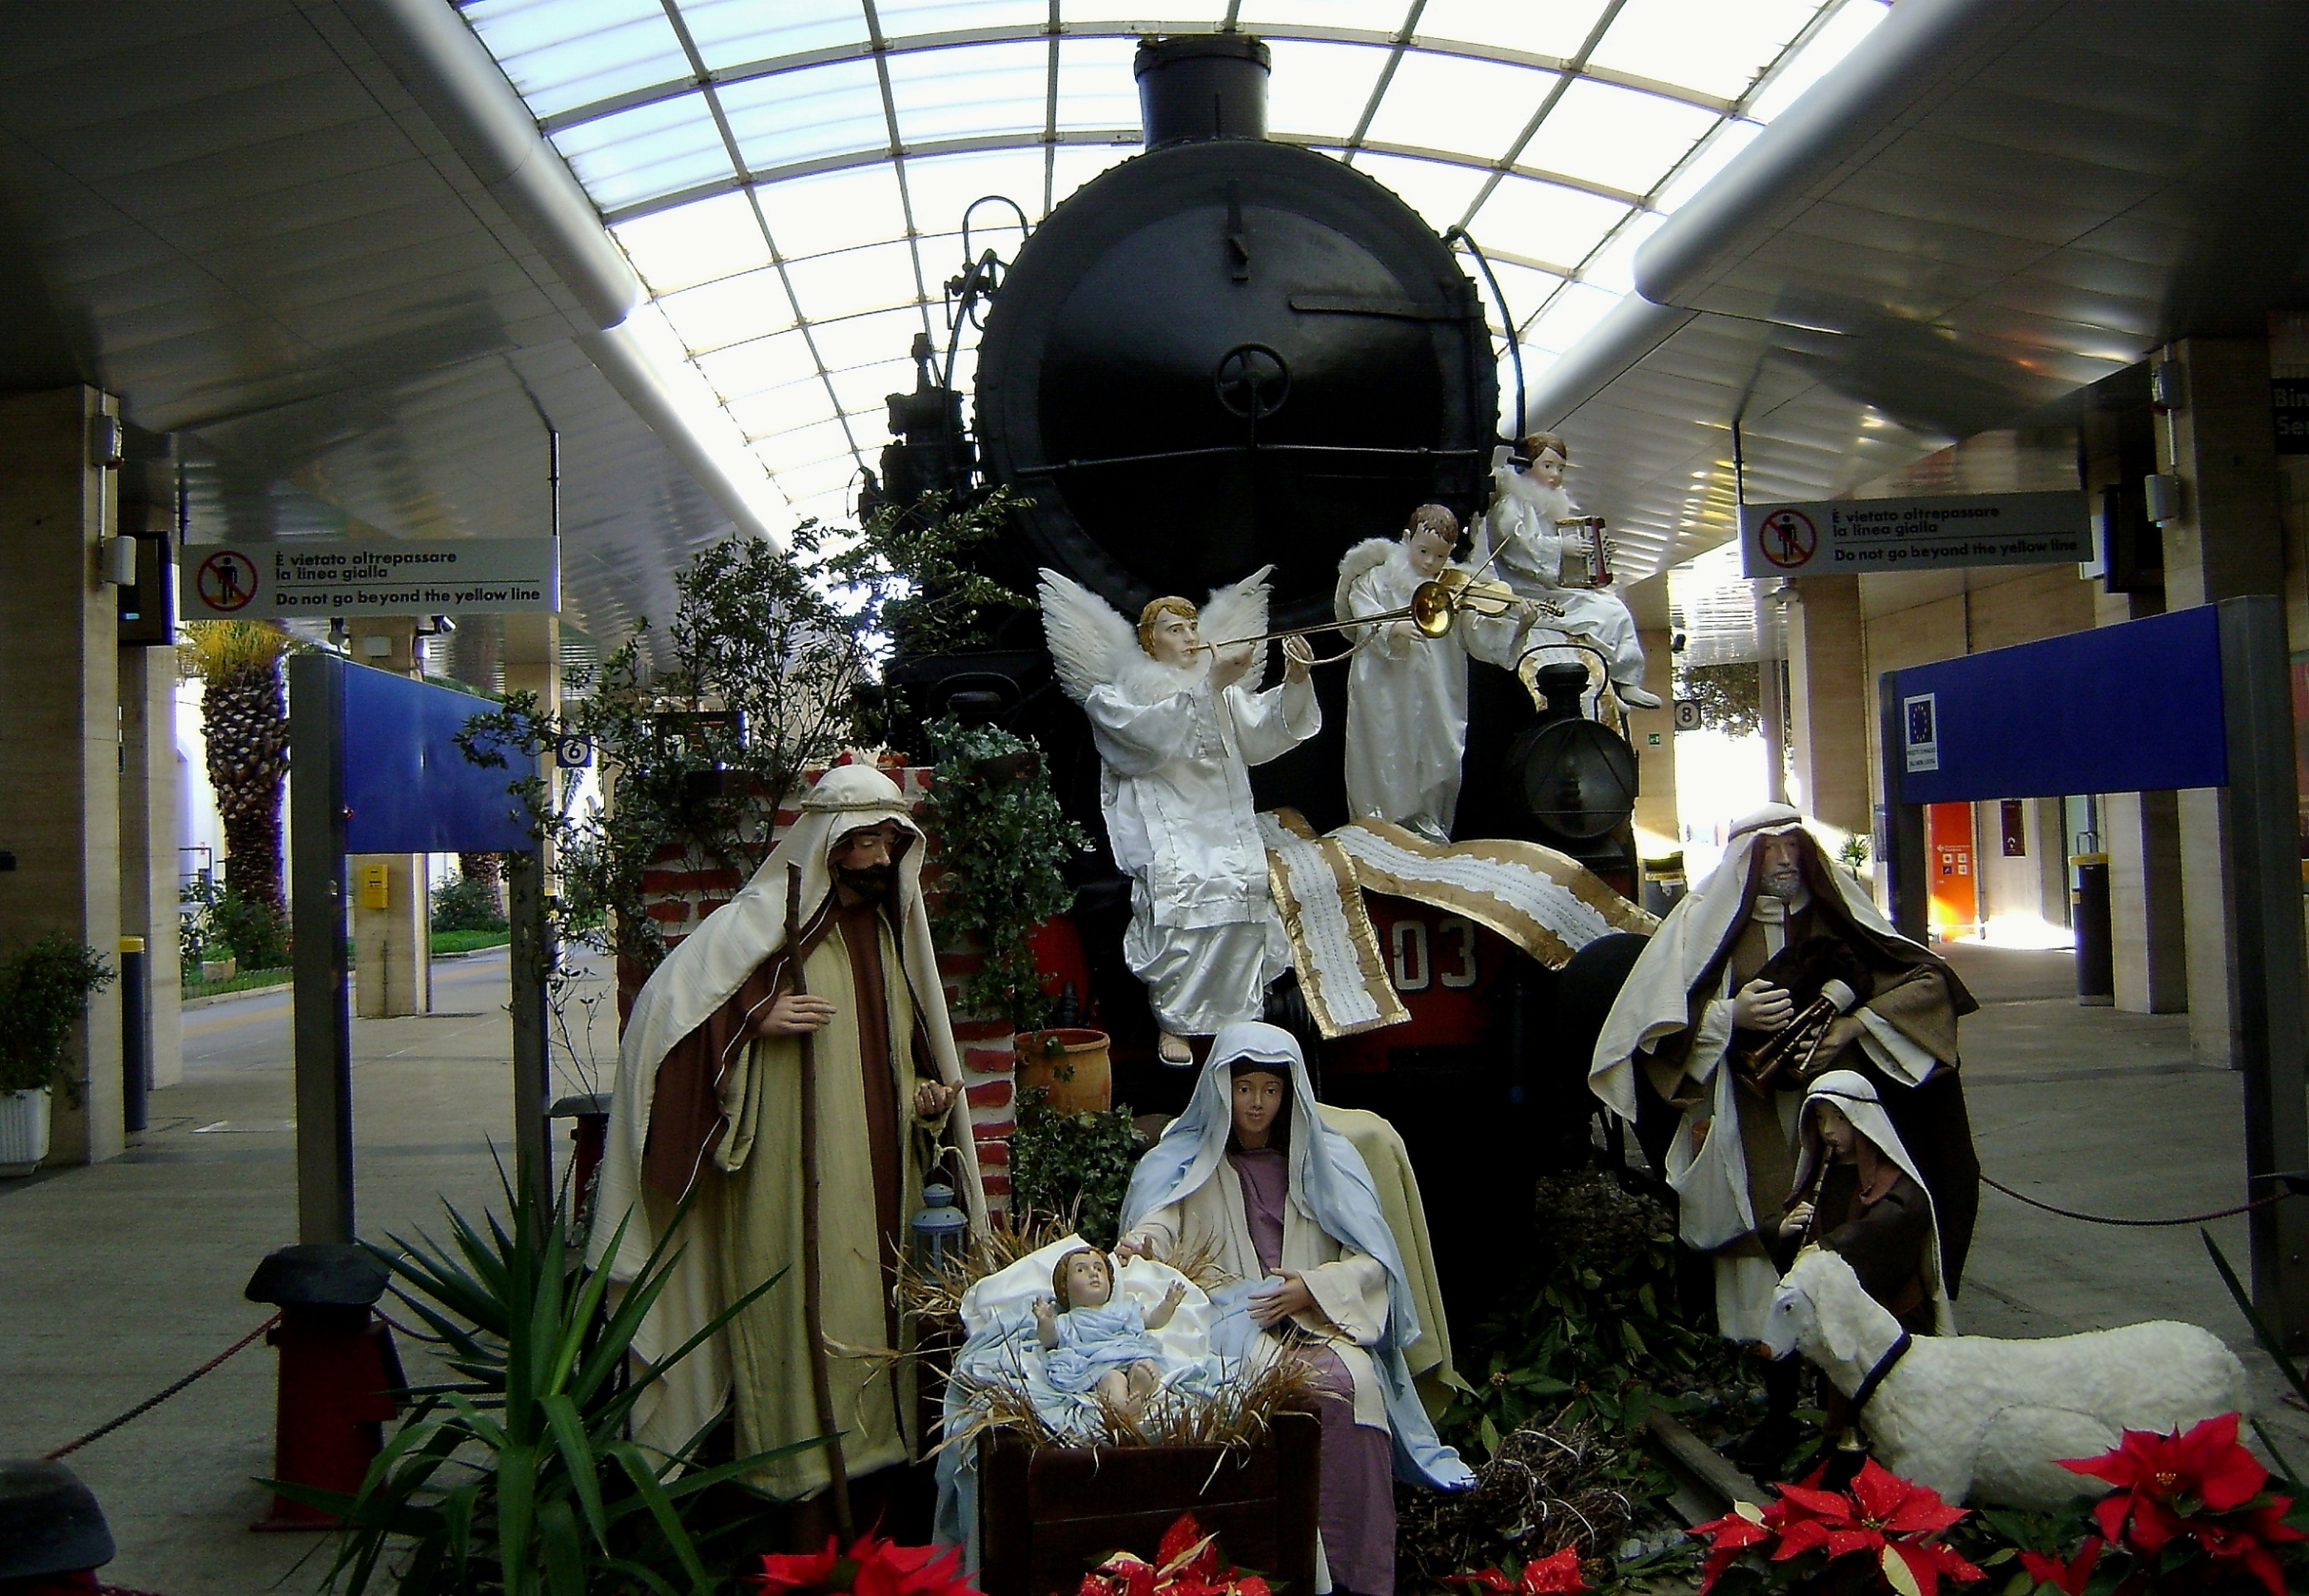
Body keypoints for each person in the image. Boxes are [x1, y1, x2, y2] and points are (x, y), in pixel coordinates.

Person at [587, 763, 985, 1522]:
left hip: (884, 1177)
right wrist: (752, 1017)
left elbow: (912, 1049)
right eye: (859, 841)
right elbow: (665, 1029)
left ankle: (881, 1485)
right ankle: (799, 1484)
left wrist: (927, 1100)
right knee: (803, 1316)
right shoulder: (759, 923)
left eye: (887, 842)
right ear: (827, 843)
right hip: (789, 1175)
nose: (874, 859)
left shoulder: (892, 934)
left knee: (883, 1315)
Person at [1588, 804, 1978, 1460]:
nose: (1785, 864)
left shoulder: (1835, 921)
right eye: (1769, 854)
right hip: (1749, 1129)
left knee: (1845, 1256)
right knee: (1757, 1263)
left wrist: (1852, 1029)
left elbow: (1921, 983)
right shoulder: (1703, 927)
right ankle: (1776, 1414)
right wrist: (1726, 1016)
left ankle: (1855, 1415)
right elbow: (1652, 1022)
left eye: (1794, 851)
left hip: (1835, 1130)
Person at [1116, 1022, 1473, 1596]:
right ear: (1220, 1089)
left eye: (1270, 1089)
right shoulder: (1184, 1160)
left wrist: (1311, 1287)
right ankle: (1269, 1572)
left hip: (1319, 1320)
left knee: (1355, 1385)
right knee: (1252, 1393)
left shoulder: (1326, 1161)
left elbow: (1373, 1260)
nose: (1256, 1103)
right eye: (1244, 1087)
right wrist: (1141, 1244)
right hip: (1231, 1323)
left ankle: (1357, 1574)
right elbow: (1162, 1221)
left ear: (1289, 1094)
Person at [1040, 567, 1320, 1066]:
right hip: (1166, 820)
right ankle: (1176, 1020)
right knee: (1185, 887)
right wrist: (1208, 685)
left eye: (1193, 627)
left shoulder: (1219, 689)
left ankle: (1241, 1015)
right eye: (1176, 629)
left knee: (1246, 885)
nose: (1191, 637)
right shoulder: (1119, 694)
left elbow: (1259, 736)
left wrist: (1295, 682)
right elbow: (1145, 743)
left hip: (1224, 819)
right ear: (1150, 642)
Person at [1466, 432, 1659, 709]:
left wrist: (1597, 552)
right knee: (1609, 613)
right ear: (1527, 465)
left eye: (1560, 468)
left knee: (1613, 607)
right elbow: (1518, 549)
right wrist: (1560, 549)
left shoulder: (1547, 506)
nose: (1555, 475)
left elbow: (1564, 566)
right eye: (1548, 466)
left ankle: (1624, 681)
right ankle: (1618, 681)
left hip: (1554, 590)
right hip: (1527, 593)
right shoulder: (1511, 506)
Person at [1336, 504, 1470, 841]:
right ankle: (1381, 831)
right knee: (1385, 751)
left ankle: (1431, 827)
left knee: (1438, 755)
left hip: (1437, 687)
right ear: (1407, 539)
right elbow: (1360, 609)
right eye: (1423, 551)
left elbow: (1480, 634)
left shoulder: (1453, 589)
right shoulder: (1378, 579)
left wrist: (1519, 623)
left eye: (1439, 556)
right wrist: (1390, 628)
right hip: (1384, 686)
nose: (1428, 563)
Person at [1033, 1247, 1190, 1415]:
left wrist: (1168, 1305)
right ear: (1065, 1287)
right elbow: (1049, 1341)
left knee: (1147, 1367)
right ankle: (1124, 1408)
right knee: (1111, 1380)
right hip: (1098, 1366)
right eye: (1081, 1270)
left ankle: (1139, 1391)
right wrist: (1045, 1321)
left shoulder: (1126, 1308)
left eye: (1099, 1269)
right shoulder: (1069, 1320)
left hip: (1132, 1355)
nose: (1093, 1274)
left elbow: (1153, 1320)